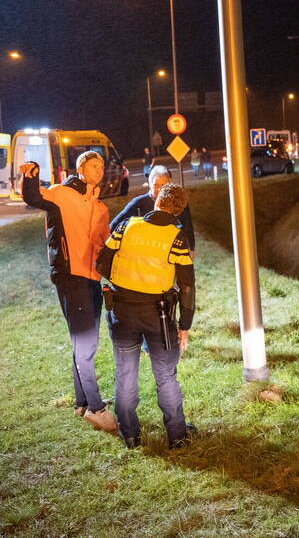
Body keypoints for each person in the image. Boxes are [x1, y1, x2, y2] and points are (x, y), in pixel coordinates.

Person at [20, 152, 116, 432]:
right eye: (93, 165)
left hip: (92, 279)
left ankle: (81, 402)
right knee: (85, 345)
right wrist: (31, 176)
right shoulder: (61, 195)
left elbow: (103, 246)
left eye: (101, 165)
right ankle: (97, 408)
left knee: (85, 342)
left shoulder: (100, 207)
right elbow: (34, 197)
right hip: (69, 276)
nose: (99, 169)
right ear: (80, 168)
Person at [97, 183, 196, 449]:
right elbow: (187, 285)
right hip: (159, 315)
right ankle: (177, 436)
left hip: (122, 310)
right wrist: (185, 325)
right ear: (178, 211)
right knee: (165, 375)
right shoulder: (176, 238)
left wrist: (122, 280)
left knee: (126, 373)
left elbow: (101, 261)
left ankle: (129, 434)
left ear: (157, 202)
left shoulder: (127, 226)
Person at [111, 165, 195, 254]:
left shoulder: (177, 202)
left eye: (163, 185)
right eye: (156, 185)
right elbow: (115, 225)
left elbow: (187, 226)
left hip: (171, 252)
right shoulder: (138, 203)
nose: (159, 190)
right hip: (145, 253)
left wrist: (191, 247)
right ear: (150, 184)